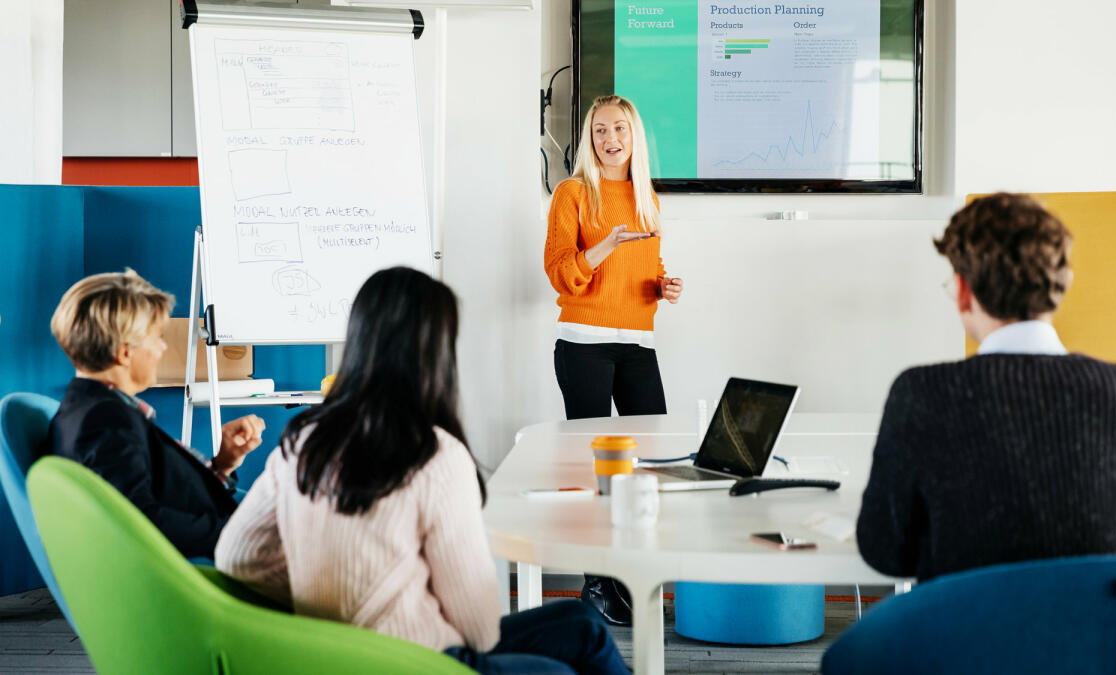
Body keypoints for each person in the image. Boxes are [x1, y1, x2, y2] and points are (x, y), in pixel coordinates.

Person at [215, 266, 628, 675]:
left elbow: (238, 556)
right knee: (569, 657)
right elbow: (480, 632)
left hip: (334, 657)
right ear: (435, 353)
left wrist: (324, 607)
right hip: (420, 660)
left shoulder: (302, 442)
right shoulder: (434, 455)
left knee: (581, 623)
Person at [856, 193, 1116, 582]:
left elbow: (884, 550)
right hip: (1094, 641)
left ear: (965, 291)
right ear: (1060, 284)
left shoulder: (922, 394)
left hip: (962, 639)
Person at [544, 94, 681, 624]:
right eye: (600, 130)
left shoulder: (648, 197)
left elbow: (645, 266)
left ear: (633, 135)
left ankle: (634, 576)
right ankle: (596, 584)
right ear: (589, 138)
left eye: (619, 128)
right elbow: (561, 271)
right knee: (595, 470)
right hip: (583, 343)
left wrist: (662, 284)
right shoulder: (573, 192)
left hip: (637, 344)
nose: (610, 139)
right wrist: (607, 246)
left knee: (651, 461)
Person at [43, 270, 265, 559]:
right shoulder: (104, 421)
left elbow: (159, 492)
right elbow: (142, 521)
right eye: (157, 338)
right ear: (125, 353)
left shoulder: (95, 410)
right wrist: (239, 534)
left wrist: (223, 464)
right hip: (209, 569)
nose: (162, 348)